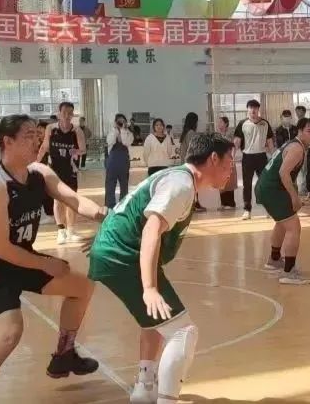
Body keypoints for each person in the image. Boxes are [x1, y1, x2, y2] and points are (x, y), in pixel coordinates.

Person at [0, 115, 108, 404]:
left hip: (21, 259)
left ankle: (64, 355)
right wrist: (46, 263)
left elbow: (74, 200)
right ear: (7, 141)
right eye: (28, 135)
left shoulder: (40, 173)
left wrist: (106, 215)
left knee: (82, 286)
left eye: (37, 134)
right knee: (9, 334)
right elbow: (1, 248)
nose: (37, 140)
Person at [88, 132, 234, 404]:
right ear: (213, 158)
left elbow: (130, 211)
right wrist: (149, 288)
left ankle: (144, 389)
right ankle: (168, 399)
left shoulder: (178, 179)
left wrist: (105, 239)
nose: (231, 170)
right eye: (229, 162)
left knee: (157, 320)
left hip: (116, 250)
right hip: (124, 256)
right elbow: (151, 229)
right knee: (183, 332)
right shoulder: (181, 185)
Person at [255, 118, 310, 285]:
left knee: (282, 223)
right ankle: (289, 273)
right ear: (300, 131)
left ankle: (274, 260)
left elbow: (288, 175)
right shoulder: (297, 148)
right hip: (272, 189)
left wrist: (294, 194)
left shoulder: (293, 144)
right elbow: (283, 173)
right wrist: (294, 198)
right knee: (294, 227)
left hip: (267, 186)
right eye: (309, 131)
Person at [37, 102, 88, 244]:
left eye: (70, 113)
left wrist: (76, 151)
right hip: (55, 170)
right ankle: (61, 231)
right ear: (59, 113)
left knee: (72, 200)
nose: (67, 115)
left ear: (72, 115)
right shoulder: (51, 129)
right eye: (64, 112)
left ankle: (71, 230)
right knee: (57, 200)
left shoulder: (77, 131)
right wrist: (35, 163)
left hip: (70, 170)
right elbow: (44, 147)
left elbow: (83, 149)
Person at [234, 99, 274, 220]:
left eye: (255, 108)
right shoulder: (242, 123)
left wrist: (273, 156)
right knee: (247, 185)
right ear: (248, 110)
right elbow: (237, 141)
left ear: (258, 109)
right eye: (251, 108)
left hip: (261, 157)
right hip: (247, 157)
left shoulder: (265, 123)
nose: (253, 110)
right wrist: (232, 155)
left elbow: (270, 141)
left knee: (264, 183)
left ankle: (269, 208)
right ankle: (247, 210)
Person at [106, 114, 134, 209]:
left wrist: (123, 130)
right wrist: (115, 130)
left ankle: (123, 205)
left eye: (123, 121)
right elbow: (110, 141)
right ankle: (110, 206)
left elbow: (126, 142)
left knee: (124, 185)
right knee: (110, 185)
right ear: (115, 122)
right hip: (112, 161)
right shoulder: (112, 131)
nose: (121, 123)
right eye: (119, 121)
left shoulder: (129, 133)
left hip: (124, 161)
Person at [215, 116, 238, 210]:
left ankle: (231, 203)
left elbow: (234, 147)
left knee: (230, 182)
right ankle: (223, 203)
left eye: (221, 122)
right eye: (218, 122)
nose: (219, 124)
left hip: (229, 160)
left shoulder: (230, 134)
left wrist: (233, 158)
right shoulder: (216, 136)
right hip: (219, 161)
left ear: (226, 124)